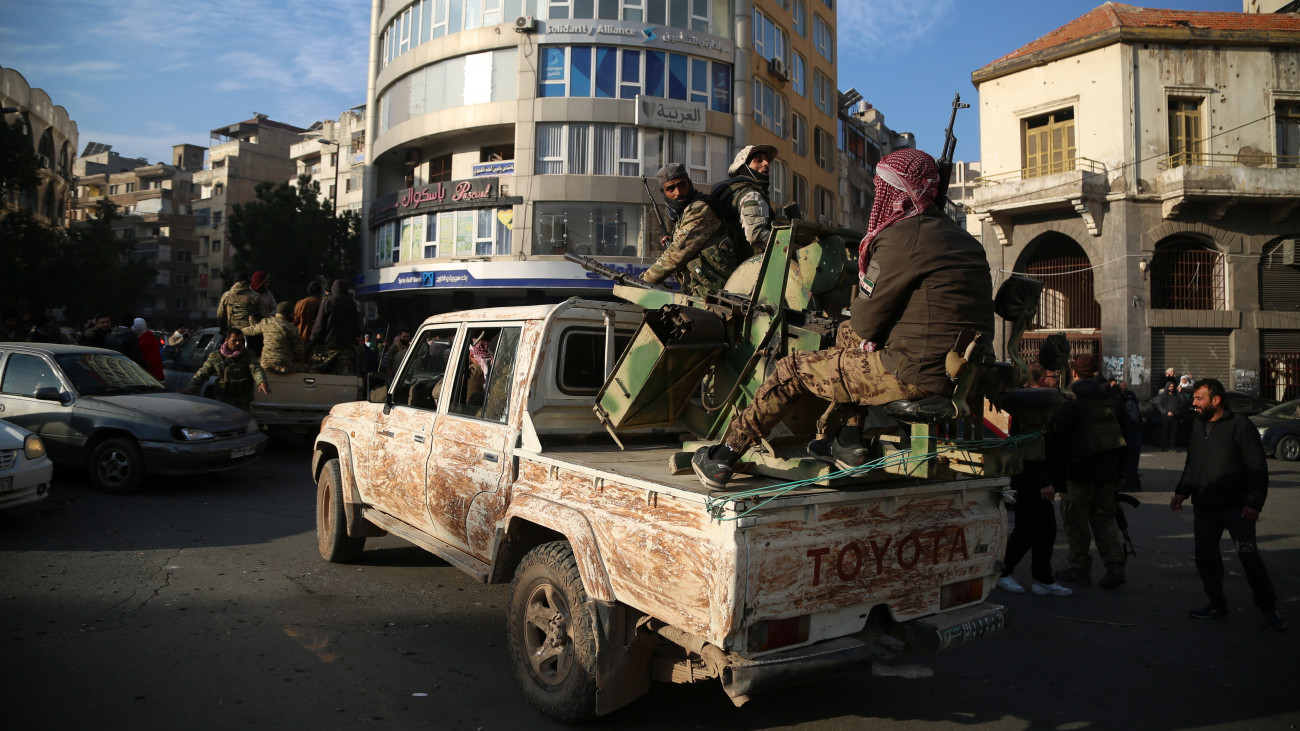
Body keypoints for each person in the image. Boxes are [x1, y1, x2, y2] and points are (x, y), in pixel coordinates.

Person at [691, 149, 994, 489]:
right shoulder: (965, 240)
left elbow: (867, 323)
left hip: (914, 373)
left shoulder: (901, 238)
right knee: (846, 336)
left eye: (882, 188)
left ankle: (725, 456)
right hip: (963, 370)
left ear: (894, 191)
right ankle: (849, 442)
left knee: (794, 368)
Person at [1170, 378, 1285, 631]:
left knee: (1249, 557)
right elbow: (1193, 463)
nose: (1194, 403)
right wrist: (1182, 491)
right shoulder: (1198, 426)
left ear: (1216, 400)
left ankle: (1268, 607)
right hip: (1205, 506)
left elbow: (1257, 467)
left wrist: (1254, 501)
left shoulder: (1240, 426)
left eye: (1199, 398)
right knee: (1206, 558)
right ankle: (1217, 604)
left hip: (1237, 507)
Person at [1050, 354, 1136, 589]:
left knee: (1075, 521)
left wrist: (1056, 475)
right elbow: (1126, 434)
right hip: (1107, 470)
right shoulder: (1112, 396)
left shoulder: (1071, 398)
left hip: (1078, 471)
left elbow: (1060, 438)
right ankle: (1115, 566)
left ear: (1074, 372)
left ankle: (1080, 567)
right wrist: (1121, 471)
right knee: (1104, 519)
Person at [997, 364, 1074, 597]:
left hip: (1040, 479)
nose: (1056, 380)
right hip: (1030, 480)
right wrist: (1043, 481)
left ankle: (1043, 578)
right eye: (1054, 376)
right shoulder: (1030, 405)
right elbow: (1030, 450)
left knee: (1046, 531)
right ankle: (1003, 572)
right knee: (1027, 530)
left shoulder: (1040, 403)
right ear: (1041, 378)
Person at [640, 163, 740, 297]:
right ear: (664, 193)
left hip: (722, 294)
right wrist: (674, 239)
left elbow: (677, 253)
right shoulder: (682, 214)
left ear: (690, 184)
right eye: (671, 188)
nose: (678, 192)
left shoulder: (700, 208)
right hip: (707, 294)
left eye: (682, 185)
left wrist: (643, 281)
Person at [710, 144, 777, 254]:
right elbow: (756, 235)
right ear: (744, 167)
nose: (766, 164)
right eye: (758, 160)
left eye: (767, 161)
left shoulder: (733, 191)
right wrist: (786, 245)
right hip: (750, 264)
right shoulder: (750, 195)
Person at [182, 330, 270, 412]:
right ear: (227, 340)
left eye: (240, 340)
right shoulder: (216, 357)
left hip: (243, 399)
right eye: (234, 340)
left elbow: (255, 368)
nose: (238, 343)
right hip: (224, 399)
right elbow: (203, 373)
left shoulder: (248, 355)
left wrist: (262, 381)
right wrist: (191, 388)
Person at [310, 279, 360, 375]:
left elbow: (319, 325)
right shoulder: (352, 304)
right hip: (345, 347)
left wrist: (313, 341)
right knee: (342, 377)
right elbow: (356, 325)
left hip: (327, 347)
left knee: (317, 372)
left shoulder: (328, 302)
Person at [241, 301, 306, 374]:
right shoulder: (292, 329)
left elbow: (251, 330)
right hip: (285, 366)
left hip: (265, 365)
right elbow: (299, 351)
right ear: (290, 314)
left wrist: (235, 332)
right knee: (308, 368)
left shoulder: (266, 322)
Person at [1117, 380, 1143, 491]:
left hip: (1133, 439)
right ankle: (1134, 483)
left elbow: (1133, 420)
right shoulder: (1125, 403)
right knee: (1131, 464)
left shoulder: (1129, 403)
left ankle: (1132, 484)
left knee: (1131, 464)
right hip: (1132, 438)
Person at [1156, 381, 1181, 451]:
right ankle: (1162, 447)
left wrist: (1181, 393)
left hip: (1175, 416)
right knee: (1164, 431)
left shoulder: (1176, 395)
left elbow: (1182, 402)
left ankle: (1171, 447)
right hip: (1166, 416)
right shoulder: (1163, 396)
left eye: (1173, 386)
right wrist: (1166, 412)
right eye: (1170, 387)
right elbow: (1160, 405)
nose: (1172, 388)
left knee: (1173, 433)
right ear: (1167, 387)